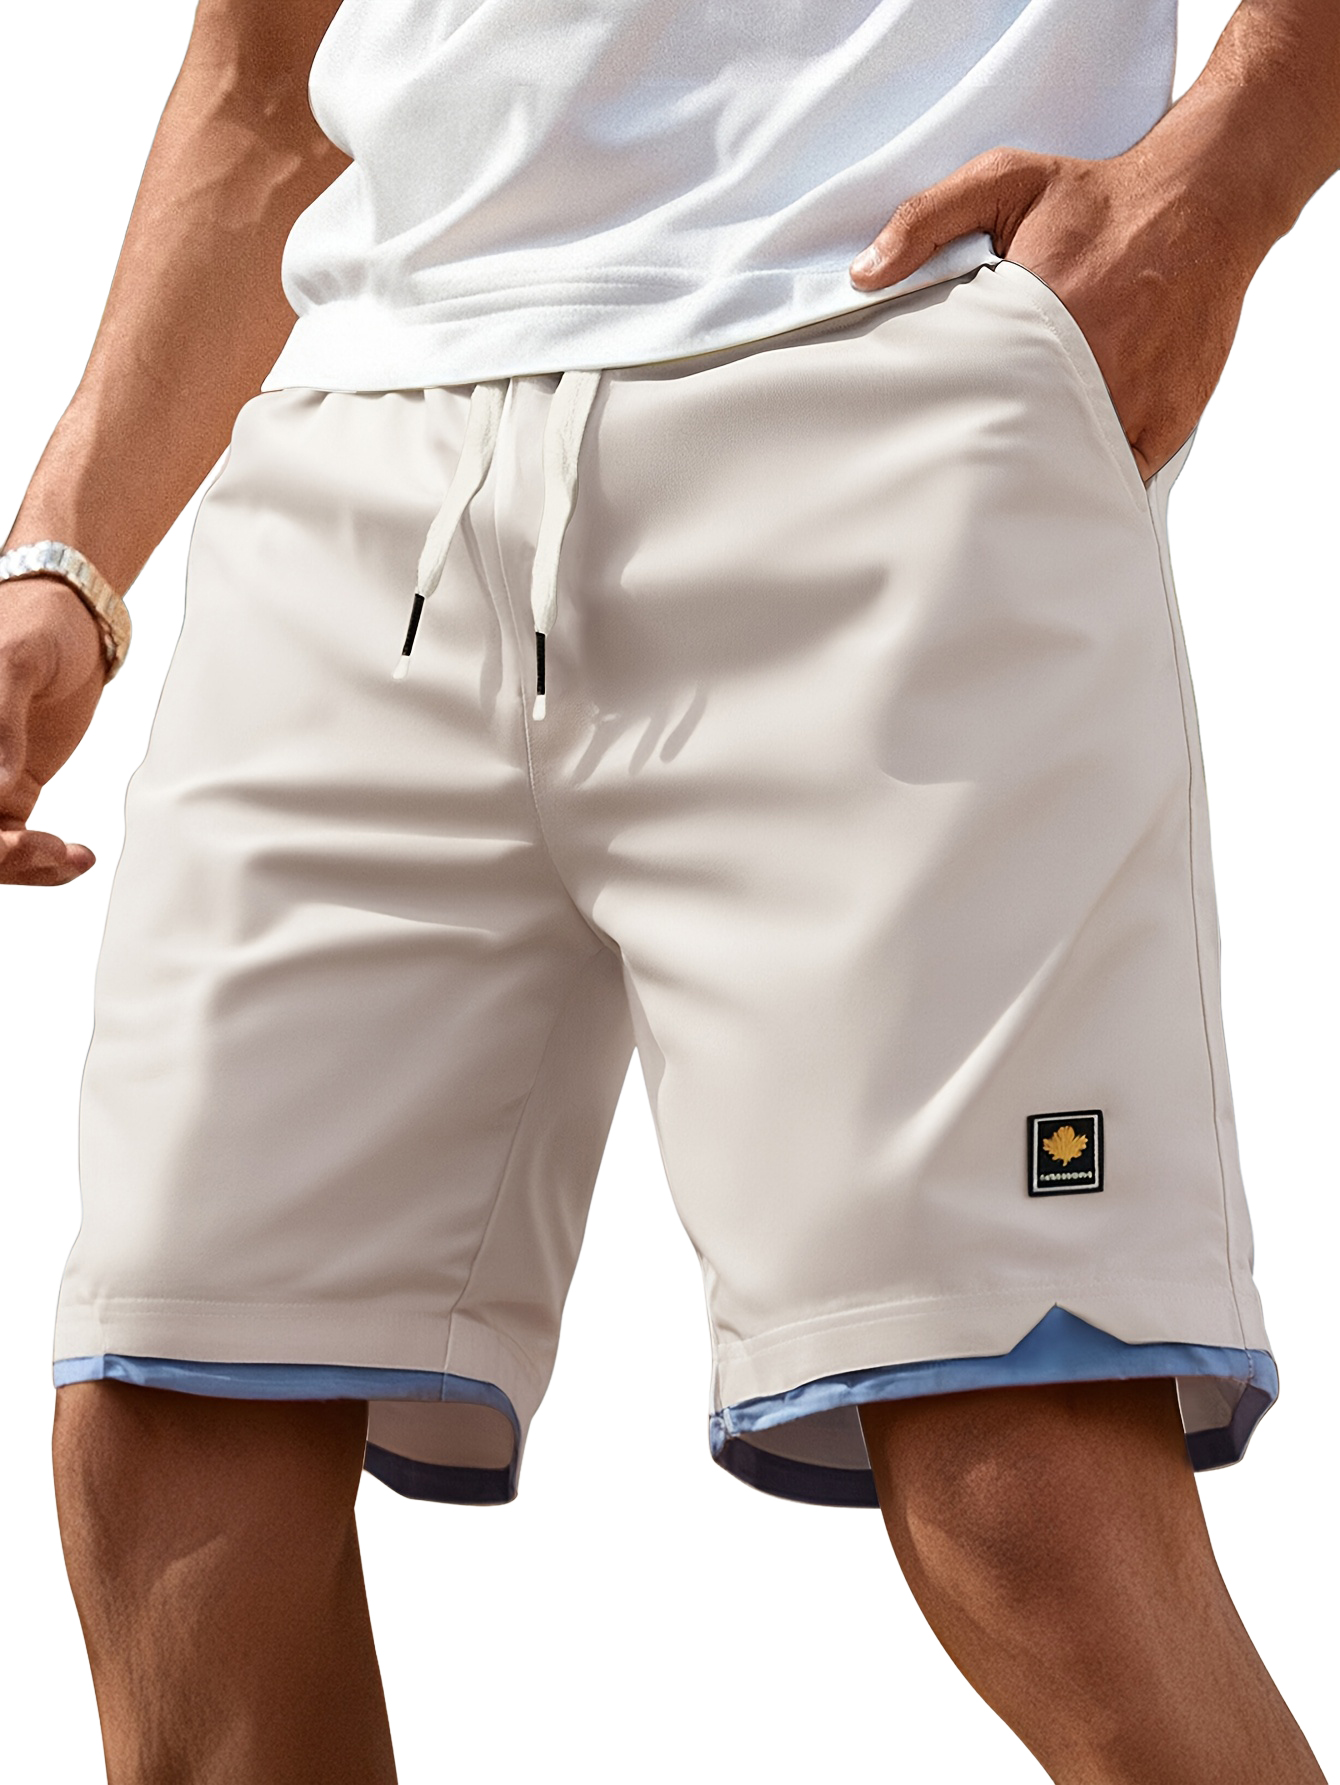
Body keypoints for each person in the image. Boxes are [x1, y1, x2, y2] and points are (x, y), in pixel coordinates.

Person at [1, 0, 1334, 1778]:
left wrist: (1225, 179)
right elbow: (262, 81)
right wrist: (65, 560)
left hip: (880, 381)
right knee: (172, 1441)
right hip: (360, 461)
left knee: (1024, 1480)